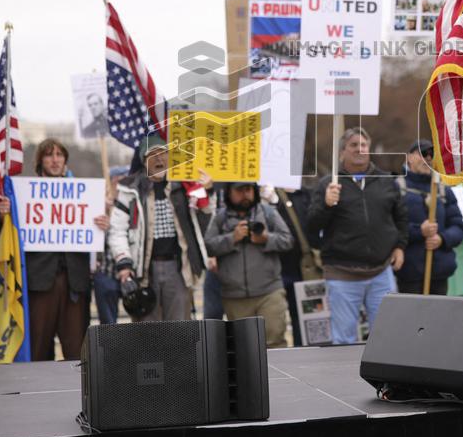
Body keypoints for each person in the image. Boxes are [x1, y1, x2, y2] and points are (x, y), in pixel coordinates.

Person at [306, 127, 408, 345]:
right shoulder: (328, 185)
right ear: (342, 152)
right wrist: (326, 204)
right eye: (353, 145)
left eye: (363, 145)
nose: (359, 149)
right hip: (342, 276)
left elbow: (401, 218)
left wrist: (400, 246)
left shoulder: (386, 181)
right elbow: (313, 225)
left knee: (388, 338)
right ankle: (345, 380)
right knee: (344, 341)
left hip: (381, 273)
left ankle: (386, 379)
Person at [108, 134, 213, 322]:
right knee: (148, 332)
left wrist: (206, 191)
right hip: (144, 270)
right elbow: (117, 230)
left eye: (163, 153)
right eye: (152, 155)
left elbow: (204, 218)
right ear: (144, 161)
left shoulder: (183, 185)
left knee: (180, 328)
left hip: (179, 267)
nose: (159, 159)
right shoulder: (130, 190)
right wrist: (124, 263)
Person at [24, 139, 108, 360]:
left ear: (65, 161)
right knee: (39, 347)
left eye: (59, 155)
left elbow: (94, 233)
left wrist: (102, 225)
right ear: (40, 160)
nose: (55, 160)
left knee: (76, 350)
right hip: (40, 282)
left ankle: (77, 394)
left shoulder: (83, 194)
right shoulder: (26, 194)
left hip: (74, 282)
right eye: (49, 155)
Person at [204, 182, 293, 348]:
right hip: (234, 297)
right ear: (229, 193)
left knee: (275, 345)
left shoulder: (268, 212)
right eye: (239, 190)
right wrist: (232, 238)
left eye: (248, 189)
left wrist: (266, 238)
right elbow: (208, 246)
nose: (245, 194)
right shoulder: (220, 218)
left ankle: (278, 377)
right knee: (243, 350)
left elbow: (288, 240)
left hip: (269, 293)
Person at [396, 139, 463, 295]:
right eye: (422, 153)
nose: (427, 157)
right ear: (409, 158)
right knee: (412, 319)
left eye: (431, 154)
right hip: (408, 273)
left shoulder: (443, 189)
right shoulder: (397, 188)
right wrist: (419, 231)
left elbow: (458, 226)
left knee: (437, 319)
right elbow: (390, 227)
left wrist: (442, 238)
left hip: (439, 273)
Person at [261, 185, 316, 346]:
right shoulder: (254, 192)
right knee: (273, 326)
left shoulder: (302, 193)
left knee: (303, 324)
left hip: (301, 269)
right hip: (270, 270)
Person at [93, 164, 130, 325]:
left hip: (129, 272)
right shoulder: (98, 205)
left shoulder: (133, 203)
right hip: (106, 271)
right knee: (108, 324)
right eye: (119, 181)